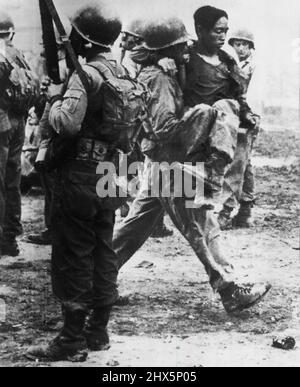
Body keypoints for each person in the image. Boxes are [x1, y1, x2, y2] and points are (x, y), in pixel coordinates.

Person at [113, 16, 271, 314]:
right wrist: (202, 115)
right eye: (180, 43)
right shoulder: (157, 78)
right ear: (166, 49)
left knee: (133, 229)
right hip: (170, 165)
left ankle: (97, 281)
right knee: (201, 226)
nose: (186, 46)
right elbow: (162, 128)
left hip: (163, 165)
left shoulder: (168, 72)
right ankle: (228, 287)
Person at [26, 2, 134, 362]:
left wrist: (55, 96)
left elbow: (67, 124)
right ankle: (98, 331)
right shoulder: (120, 70)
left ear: (82, 40)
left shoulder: (84, 74)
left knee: (73, 251)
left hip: (80, 174)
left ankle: (71, 339)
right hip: (109, 172)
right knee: (104, 248)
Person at [0, 11, 38, 257]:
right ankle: (10, 237)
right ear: (10, 32)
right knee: (12, 180)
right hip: (18, 121)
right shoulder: (18, 55)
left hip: (2, 120)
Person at [218, 28, 257, 229]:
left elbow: (252, 96)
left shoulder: (254, 67)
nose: (240, 48)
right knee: (245, 161)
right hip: (236, 113)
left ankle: (226, 210)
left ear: (251, 47)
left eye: (245, 44)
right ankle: (246, 210)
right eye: (237, 44)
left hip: (247, 116)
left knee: (236, 162)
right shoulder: (230, 64)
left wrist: (248, 117)